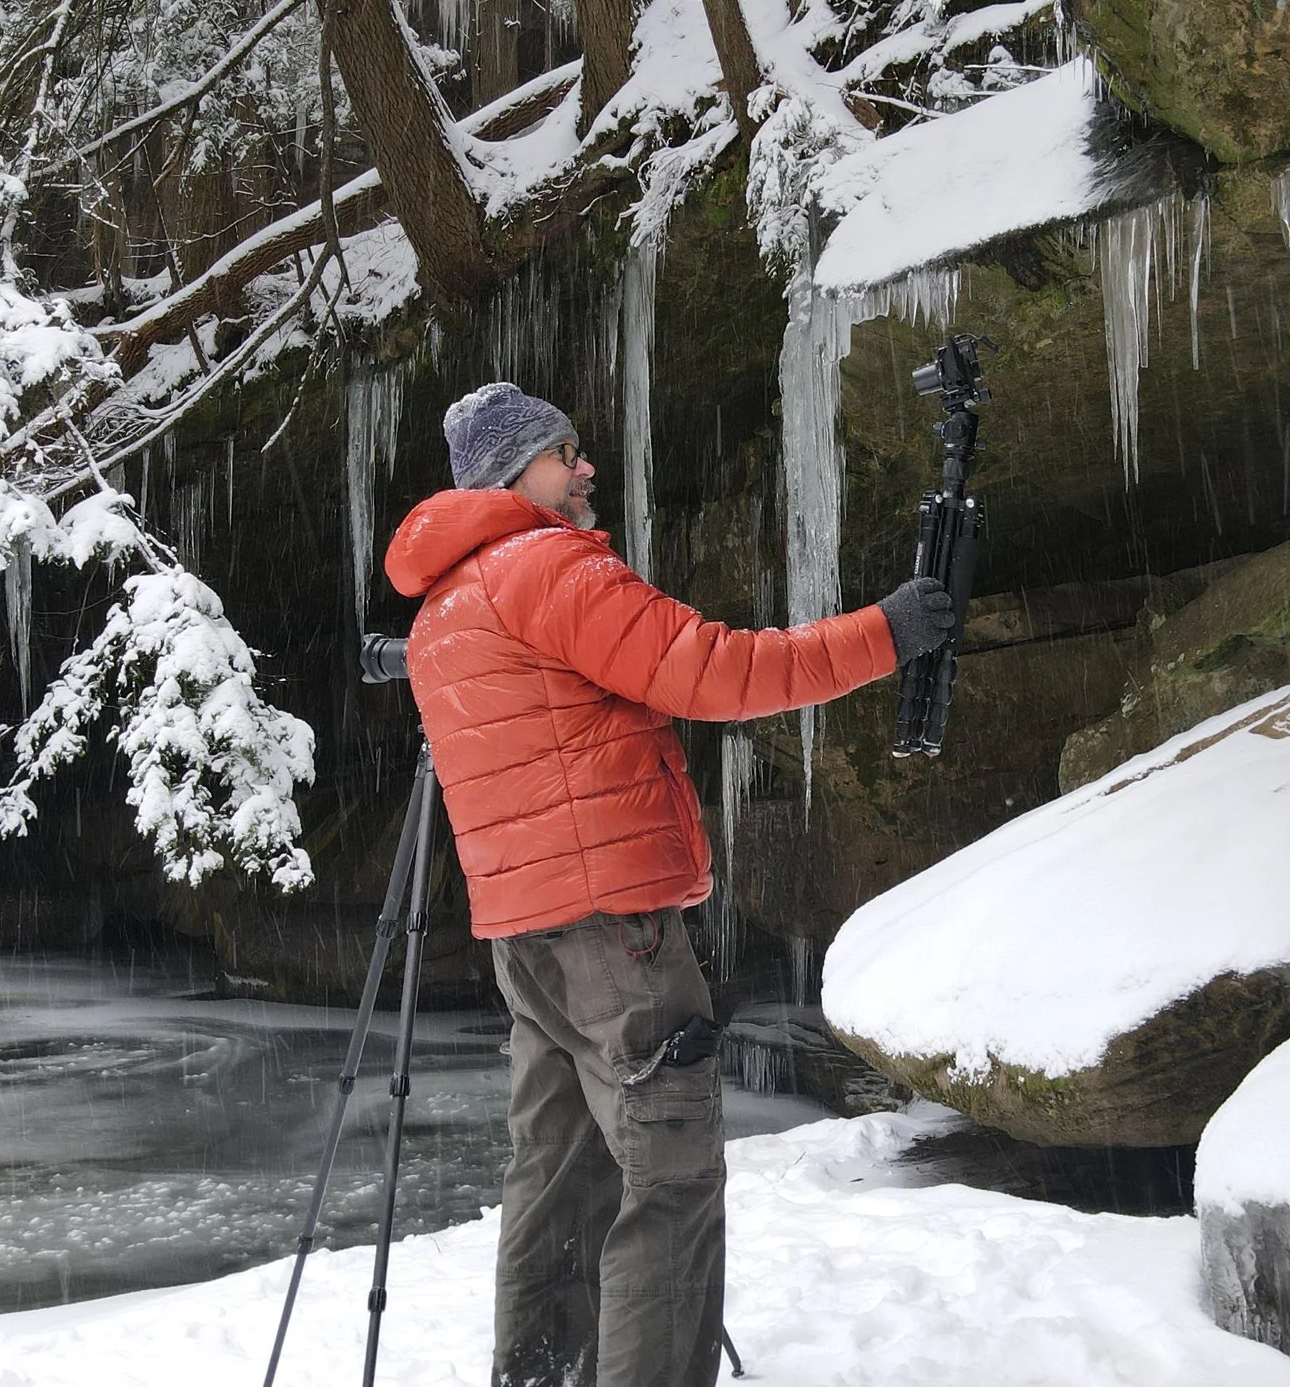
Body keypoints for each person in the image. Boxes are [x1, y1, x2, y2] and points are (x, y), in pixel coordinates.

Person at [383, 383, 955, 1387]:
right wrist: (885, 632)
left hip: (527, 939)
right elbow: (718, 671)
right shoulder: (546, 567)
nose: (587, 466)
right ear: (517, 472)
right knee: (670, 1177)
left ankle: (541, 1373)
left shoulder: (443, 609)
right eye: (567, 452)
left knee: (556, 1179)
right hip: (616, 934)